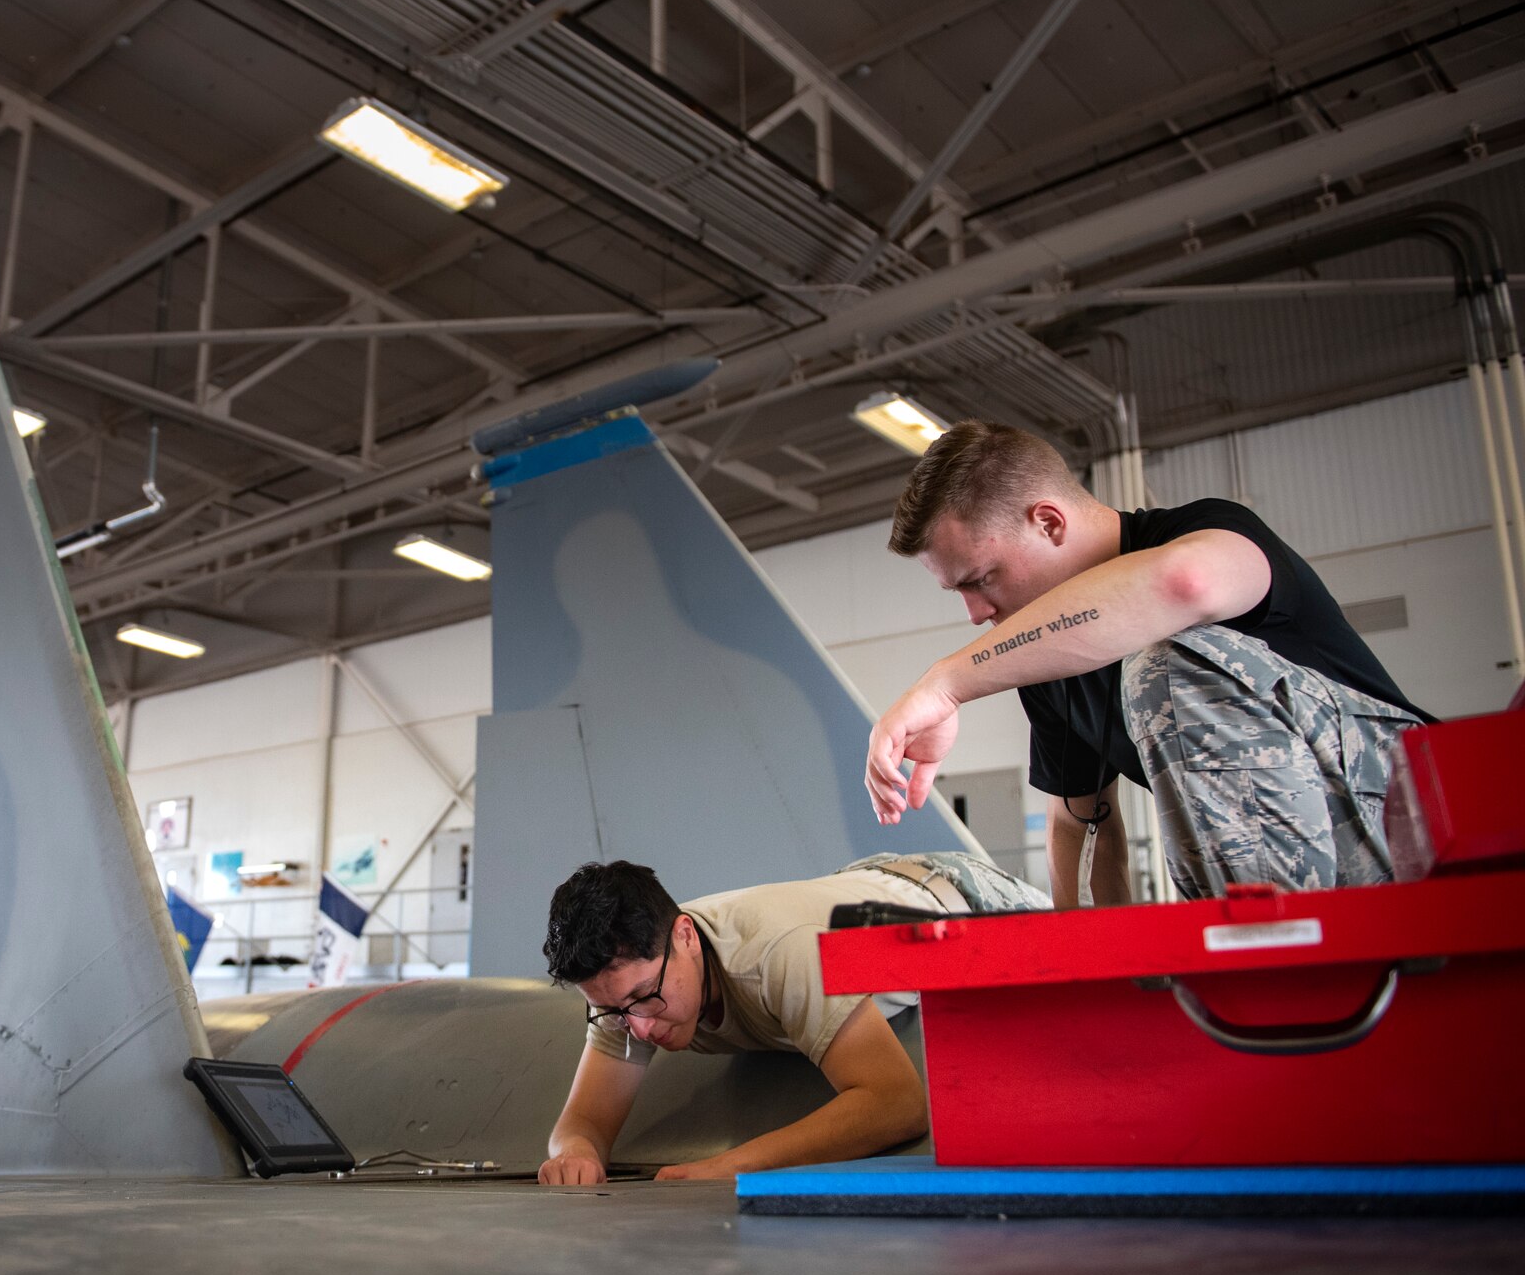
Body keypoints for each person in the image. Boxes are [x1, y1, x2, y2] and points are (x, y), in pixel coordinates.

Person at [865, 422, 1429, 906]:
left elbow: (1186, 584)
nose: (976, 613)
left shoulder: (1204, 530)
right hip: (1284, 878)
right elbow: (1080, 822)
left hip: (1412, 824)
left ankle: (1267, 956)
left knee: (1167, 665)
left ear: (1049, 523)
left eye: (982, 579)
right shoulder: (1050, 659)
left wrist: (948, 683)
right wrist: (1090, 968)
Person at [536, 853, 1047, 1184]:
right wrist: (575, 1154)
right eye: (615, 1010)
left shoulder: (778, 955)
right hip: (861, 881)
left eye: (647, 997)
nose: (640, 1028)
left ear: (686, 937)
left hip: (960, 899)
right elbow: (582, 1123)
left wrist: (730, 1166)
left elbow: (898, 1103)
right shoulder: (626, 987)